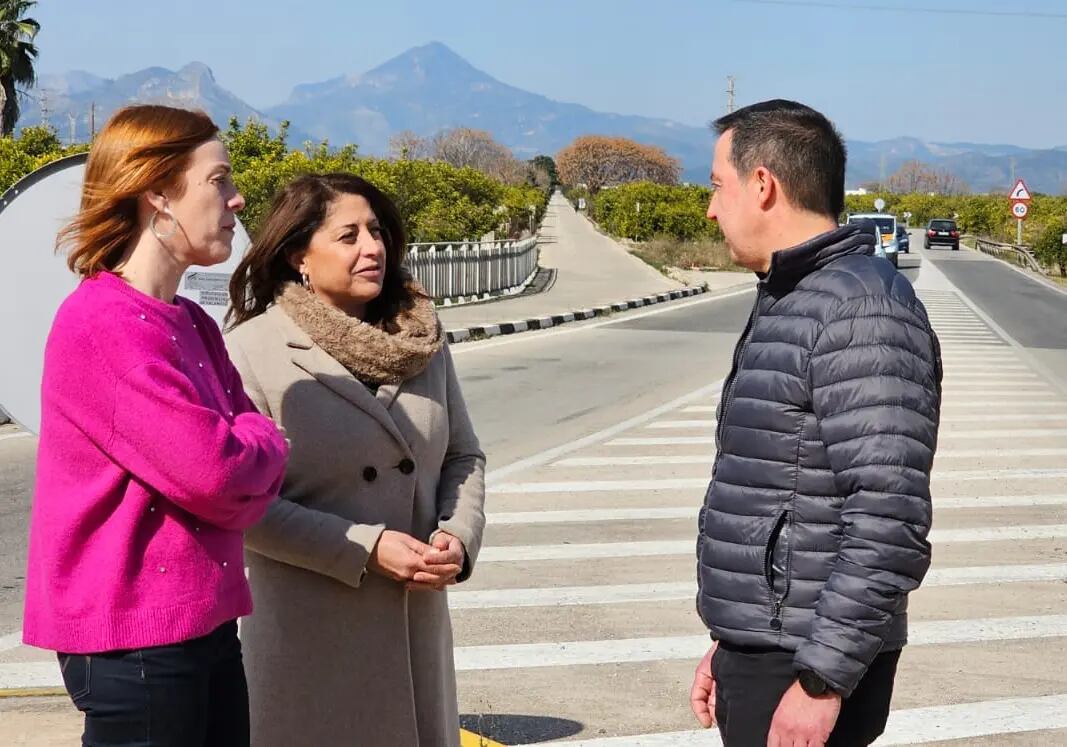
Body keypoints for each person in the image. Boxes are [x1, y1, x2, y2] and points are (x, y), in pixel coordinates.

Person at [22, 104, 290, 746]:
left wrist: (254, 447)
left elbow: (244, 453)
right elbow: (221, 474)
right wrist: (265, 445)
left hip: (205, 619)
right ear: (158, 196)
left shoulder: (191, 323)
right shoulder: (103, 325)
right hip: (137, 638)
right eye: (218, 181)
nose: (237, 198)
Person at [688, 100, 942, 747]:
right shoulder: (795, 297)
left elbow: (889, 513)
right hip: (772, 645)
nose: (711, 208)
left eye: (717, 186)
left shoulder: (860, 310)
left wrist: (821, 681)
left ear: (763, 184)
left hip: (804, 660)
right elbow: (783, 491)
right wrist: (730, 642)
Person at [225, 173, 486, 747]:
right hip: (311, 635)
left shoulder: (422, 341)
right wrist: (366, 547)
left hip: (415, 626)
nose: (372, 248)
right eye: (348, 236)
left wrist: (458, 537)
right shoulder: (252, 351)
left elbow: (463, 454)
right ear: (300, 255)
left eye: (376, 231)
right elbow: (243, 505)